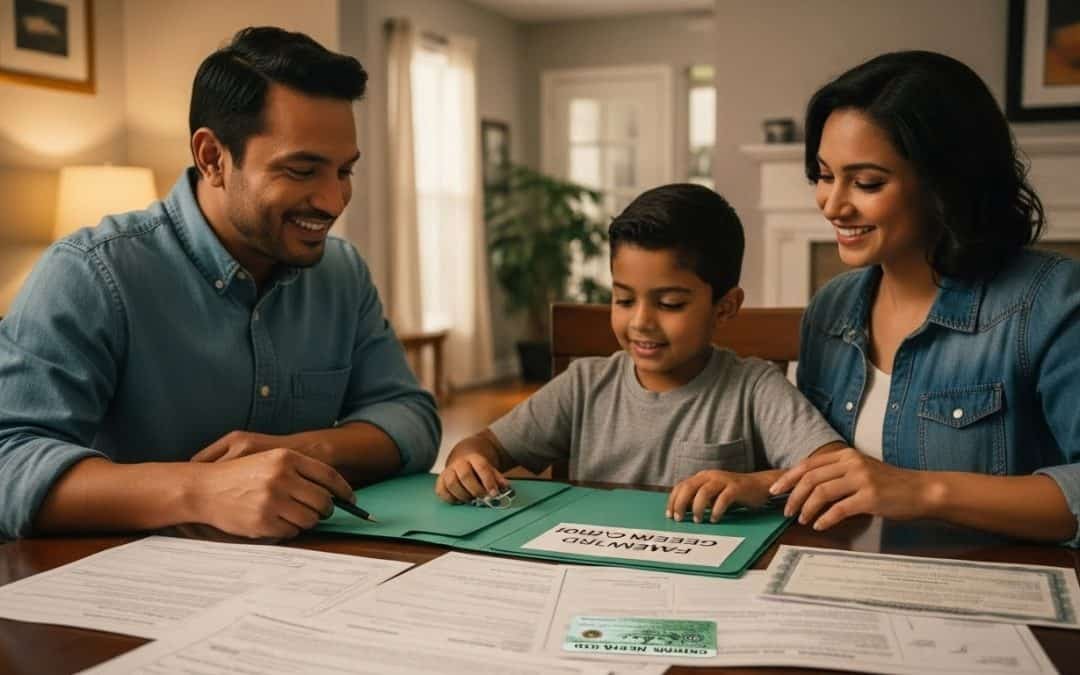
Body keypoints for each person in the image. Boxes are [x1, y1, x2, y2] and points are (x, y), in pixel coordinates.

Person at [0, 27, 440, 540]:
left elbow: (412, 418)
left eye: (344, 171)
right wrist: (203, 490)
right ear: (212, 158)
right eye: (302, 171)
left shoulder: (343, 274)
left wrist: (303, 449)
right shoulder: (91, 273)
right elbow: (9, 462)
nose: (332, 200)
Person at [768, 50, 1080, 545]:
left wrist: (922, 490)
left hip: (993, 583)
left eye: (867, 182)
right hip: (843, 576)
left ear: (946, 184)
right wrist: (757, 486)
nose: (832, 205)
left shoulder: (1050, 302)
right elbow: (827, 475)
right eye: (825, 176)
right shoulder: (830, 309)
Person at [436, 184, 845, 522]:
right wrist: (468, 462)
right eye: (624, 300)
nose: (641, 322)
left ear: (725, 307)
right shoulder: (584, 385)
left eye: (669, 304)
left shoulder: (753, 388)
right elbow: (482, 446)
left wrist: (756, 485)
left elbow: (835, 471)